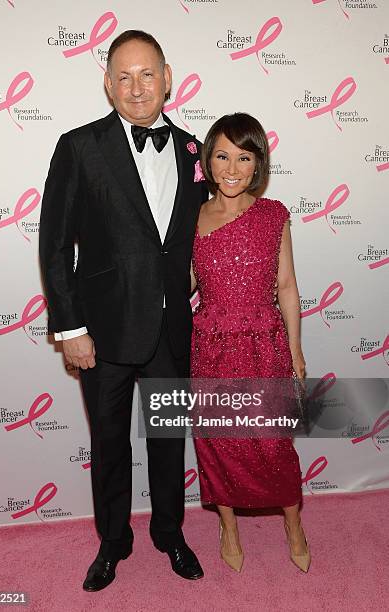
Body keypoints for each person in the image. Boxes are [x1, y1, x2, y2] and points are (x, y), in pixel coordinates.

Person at [39, 30, 208, 592]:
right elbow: (55, 245)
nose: (137, 87)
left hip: (170, 329)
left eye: (148, 74)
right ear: (108, 84)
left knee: (167, 440)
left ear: (168, 78)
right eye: (124, 76)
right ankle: (113, 542)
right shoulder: (79, 146)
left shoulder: (193, 151)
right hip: (102, 332)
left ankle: (170, 532)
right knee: (110, 444)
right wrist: (70, 329)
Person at [190, 113, 310, 573]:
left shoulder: (273, 214)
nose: (232, 168)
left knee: (274, 444)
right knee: (220, 443)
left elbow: (286, 287)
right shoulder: (194, 217)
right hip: (213, 347)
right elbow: (183, 285)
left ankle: (294, 525)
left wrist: (296, 353)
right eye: (222, 155)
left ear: (258, 163)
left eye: (244, 157)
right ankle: (229, 527)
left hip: (265, 345)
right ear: (208, 159)